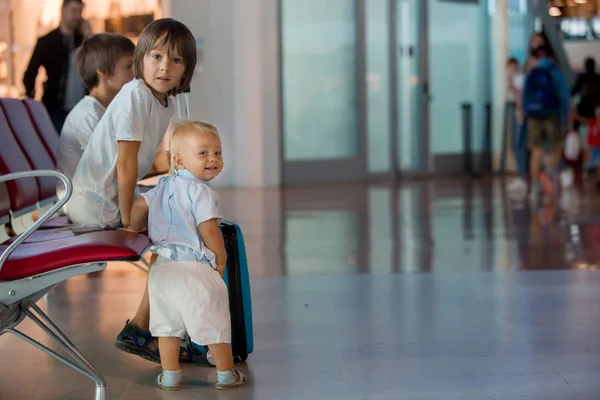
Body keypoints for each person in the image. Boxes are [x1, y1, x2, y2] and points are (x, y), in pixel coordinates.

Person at [63, 18, 197, 362]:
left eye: (176, 60)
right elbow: (125, 163)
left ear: (186, 70)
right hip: (96, 206)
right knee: (177, 233)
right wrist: (128, 219)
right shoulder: (137, 93)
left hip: (105, 199)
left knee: (182, 221)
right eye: (156, 56)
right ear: (141, 59)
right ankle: (144, 328)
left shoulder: (162, 101)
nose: (165, 67)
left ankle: (153, 326)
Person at [126, 121, 247, 391]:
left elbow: (138, 205)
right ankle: (226, 375)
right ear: (179, 160)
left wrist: (133, 229)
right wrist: (220, 257)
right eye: (202, 153)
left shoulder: (161, 186)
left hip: (161, 271)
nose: (213, 159)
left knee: (166, 327)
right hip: (193, 268)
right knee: (214, 322)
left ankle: (170, 376)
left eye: (218, 152)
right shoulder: (201, 191)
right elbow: (209, 229)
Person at [56, 33, 135, 203]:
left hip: (101, 197)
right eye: (128, 66)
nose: (135, 73)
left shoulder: (106, 111)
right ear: (104, 72)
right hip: (84, 204)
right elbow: (118, 166)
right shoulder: (87, 115)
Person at [23, 0, 87, 133]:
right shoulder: (46, 42)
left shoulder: (84, 41)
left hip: (82, 109)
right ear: (63, 10)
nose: (77, 16)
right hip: (55, 109)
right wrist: (31, 98)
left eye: (80, 12)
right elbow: (30, 74)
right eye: (73, 11)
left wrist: (89, 34)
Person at [522, 43, 570, 199]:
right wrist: (564, 114)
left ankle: (534, 188)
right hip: (551, 114)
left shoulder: (532, 71)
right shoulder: (553, 70)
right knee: (556, 146)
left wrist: (527, 112)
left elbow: (524, 95)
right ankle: (549, 171)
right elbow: (563, 93)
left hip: (534, 115)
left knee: (536, 150)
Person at [506, 57, 528, 199]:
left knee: (519, 144)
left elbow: (519, 95)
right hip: (517, 113)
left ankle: (522, 173)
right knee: (516, 144)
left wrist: (510, 80)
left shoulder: (520, 78)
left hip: (521, 114)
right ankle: (521, 172)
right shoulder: (517, 78)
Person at [575, 103, 600, 190]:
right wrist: (576, 116)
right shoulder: (592, 122)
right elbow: (584, 120)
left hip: (596, 147)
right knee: (597, 164)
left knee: (598, 163)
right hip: (595, 147)